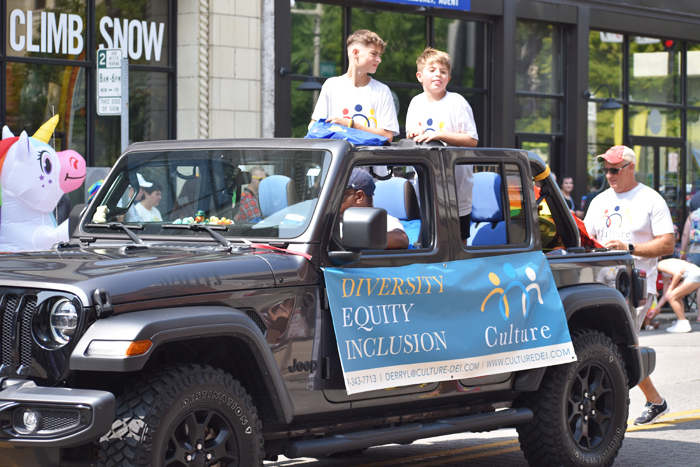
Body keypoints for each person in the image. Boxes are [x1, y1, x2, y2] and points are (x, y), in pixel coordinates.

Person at [583, 145, 675, 425]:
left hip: (635, 286)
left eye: (614, 169)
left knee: (617, 345)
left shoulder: (651, 199)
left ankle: (609, 412)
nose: (609, 175)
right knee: (615, 346)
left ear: (631, 168)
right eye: (605, 169)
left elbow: (667, 244)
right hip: (600, 284)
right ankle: (655, 401)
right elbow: (587, 238)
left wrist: (630, 248)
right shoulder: (599, 201)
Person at [405, 47, 478, 244]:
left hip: (456, 187)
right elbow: (411, 137)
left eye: (443, 71)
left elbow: (472, 140)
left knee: (458, 240)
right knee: (431, 240)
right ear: (420, 76)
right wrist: (413, 134)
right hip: (426, 185)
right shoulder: (415, 103)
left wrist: (439, 135)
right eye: (432, 70)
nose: (438, 74)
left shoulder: (457, 102)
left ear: (449, 78)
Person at [310, 29, 399, 142]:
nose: (379, 60)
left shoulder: (383, 90)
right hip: (336, 153)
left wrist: (351, 125)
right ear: (355, 53)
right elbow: (313, 126)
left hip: (369, 154)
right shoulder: (331, 85)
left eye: (379, 55)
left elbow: (387, 136)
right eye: (374, 54)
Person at [340, 168, 408, 250]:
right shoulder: (332, 221)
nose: (333, 200)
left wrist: (342, 240)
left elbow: (401, 239)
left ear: (359, 197)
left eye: (338, 194)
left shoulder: (382, 221)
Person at [644, 258, 699, 332]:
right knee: (676, 297)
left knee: (672, 296)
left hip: (694, 274)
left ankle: (683, 322)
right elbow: (665, 295)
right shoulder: (664, 274)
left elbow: (677, 274)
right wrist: (655, 309)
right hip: (694, 274)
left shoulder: (659, 265)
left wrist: (670, 289)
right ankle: (681, 321)